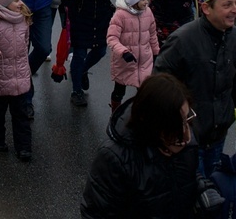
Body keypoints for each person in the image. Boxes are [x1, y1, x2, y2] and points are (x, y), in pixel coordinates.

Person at [154, 0, 236, 177]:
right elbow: (159, 89)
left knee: (212, 195)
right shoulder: (182, 40)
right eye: (227, 5)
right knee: (189, 197)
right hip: (186, 139)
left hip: (218, 136)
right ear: (206, 8)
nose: (235, 9)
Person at [81, 73, 203, 218]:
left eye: (187, 119)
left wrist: (203, 188)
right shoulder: (115, 159)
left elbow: (186, 177)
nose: (186, 134)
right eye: (174, 124)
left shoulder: (186, 142)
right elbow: (96, 213)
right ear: (152, 124)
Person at [0, 0, 33, 162]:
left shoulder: (23, 19)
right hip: (0, 77)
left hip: (19, 76)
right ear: (5, 3)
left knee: (21, 115)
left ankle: (24, 147)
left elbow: (26, 44)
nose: (20, 3)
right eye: (16, 1)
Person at [106, 0, 159, 113]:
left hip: (144, 60)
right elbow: (112, 38)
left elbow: (152, 34)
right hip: (125, 61)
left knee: (144, 91)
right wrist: (123, 52)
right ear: (133, 1)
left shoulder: (148, 12)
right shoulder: (120, 15)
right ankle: (115, 111)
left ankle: (141, 116)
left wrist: (156, 52)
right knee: (119, 90)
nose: (146, 2)